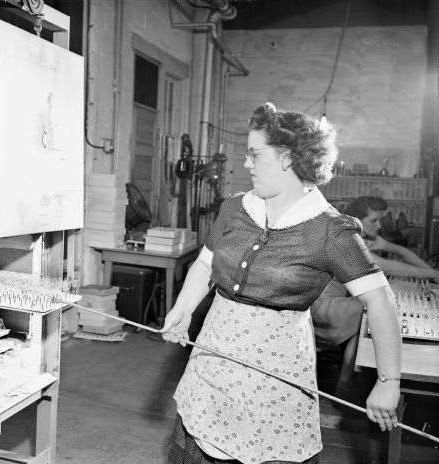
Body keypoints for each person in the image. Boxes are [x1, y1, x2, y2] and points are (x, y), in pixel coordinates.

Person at [160, 102, 401, 464]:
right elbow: (204, 264)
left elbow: (382, 302)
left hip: (275, 380)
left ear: (287, 159)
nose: (246, 163)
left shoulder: (329, 230)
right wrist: (182, 310)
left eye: (255, 154)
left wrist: (387, 383)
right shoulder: (234, 208)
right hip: (211, 363)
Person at [311, 196, 439, 398]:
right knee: (378, 305)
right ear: (356, 219)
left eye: (380, 220)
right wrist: (435, 275)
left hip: (341, 305)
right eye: (374, 220)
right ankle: (347, 386)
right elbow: (390, 266)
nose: (379, 225)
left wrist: (432, 274)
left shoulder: (366, 236)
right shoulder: (347, 238)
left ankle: (344, 387)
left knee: (364, 325)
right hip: (323, 309)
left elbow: (400, 251)